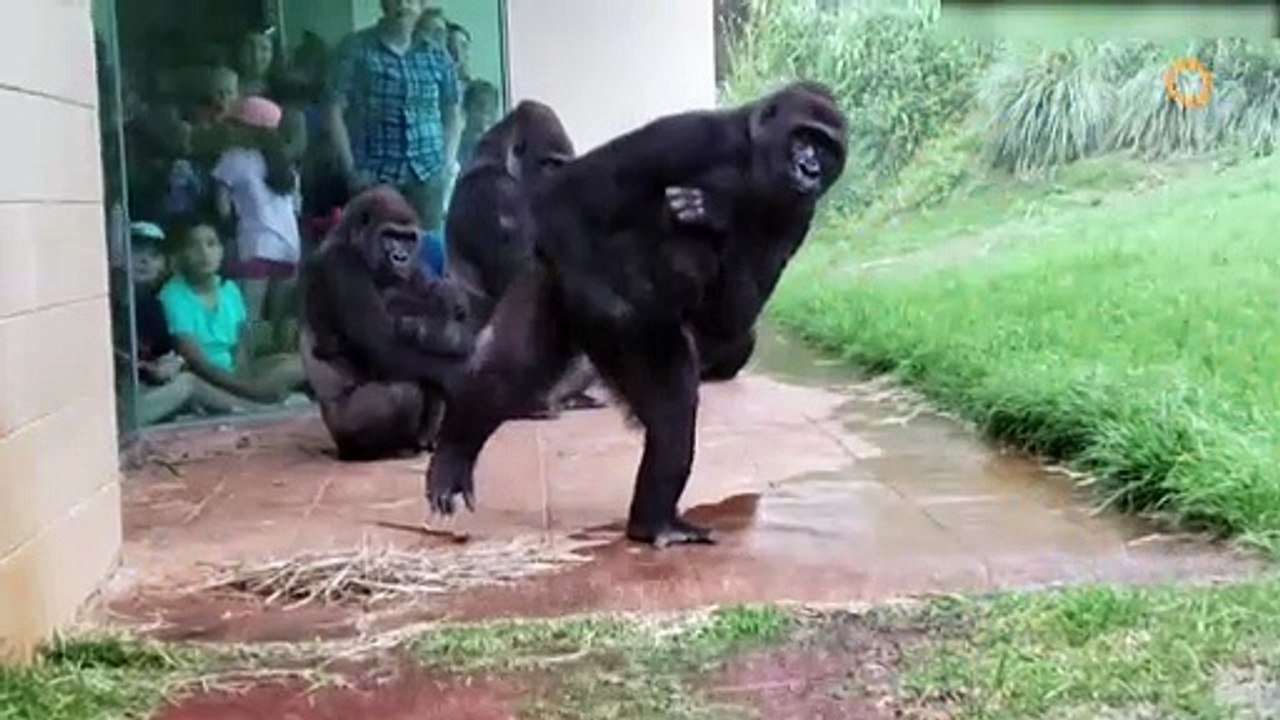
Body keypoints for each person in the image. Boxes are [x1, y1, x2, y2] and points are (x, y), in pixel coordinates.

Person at [326, 0, 462, 233]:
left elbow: (454, 112)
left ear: (421, 7)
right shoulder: (355, 48)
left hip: (428, 176)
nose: (403, 6)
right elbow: (334, 110)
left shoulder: (436, 55)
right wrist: (351, 169)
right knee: (376, 254)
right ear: (384, 4)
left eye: (410, 1)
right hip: (375, 175)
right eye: (396, 0)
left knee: (428, 253)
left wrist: (446, 164)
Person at [158, 217, 308, 409]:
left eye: (211, 244)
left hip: (237, 376)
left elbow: (242, 344)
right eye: (193, 246)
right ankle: (255, 404)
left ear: (222, 251)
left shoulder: (229, 289)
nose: (204, 252)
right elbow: (196, 361)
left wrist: (245, 375)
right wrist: (245, 388)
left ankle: (255, 401)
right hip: (203, 379)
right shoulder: (172, 294)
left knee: (299, 364)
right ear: (181, 255)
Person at [212, 95, 303, 353]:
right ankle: (278, 372)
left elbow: (222, 207)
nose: (229, 129)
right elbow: (296, 207)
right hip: (289, 247)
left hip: (255, 244)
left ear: (248, 130)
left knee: (248, 316)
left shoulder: (234, 158)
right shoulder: (286, 165)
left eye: (234, 124)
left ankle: (244, 370)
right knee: (280, 321)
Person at [457, 79, 500, 169]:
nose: (485, 115)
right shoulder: (455, 147)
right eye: (480, 107)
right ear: (466, 109)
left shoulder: (502, 149)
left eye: (491, 109)